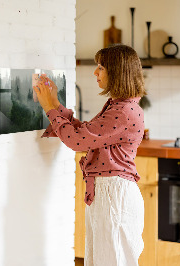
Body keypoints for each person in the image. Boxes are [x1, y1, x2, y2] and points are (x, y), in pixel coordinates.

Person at [34, 44, 146, 266]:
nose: (95, 72)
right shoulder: (119, 106)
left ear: (117, 72)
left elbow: (77, 141)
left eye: (101, 67)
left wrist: (49, 108)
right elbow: (85, 133)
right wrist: (55, 103)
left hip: (114, 195)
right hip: (109, 193)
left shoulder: (123, 111)